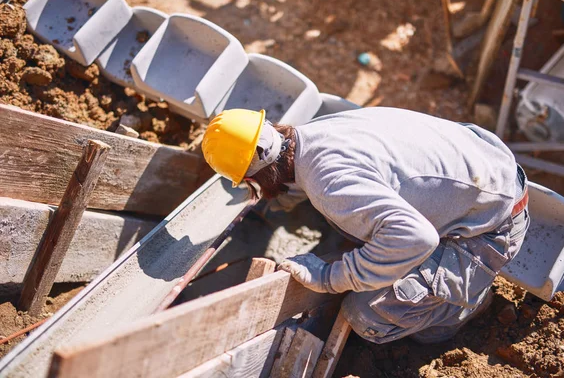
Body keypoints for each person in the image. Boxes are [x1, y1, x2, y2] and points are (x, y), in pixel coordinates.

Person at [201, 107, 530, 344]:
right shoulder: (312, 135)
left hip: (491, 225)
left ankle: (460, 307)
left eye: (248, 184)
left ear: (254, 174)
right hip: (485, 168)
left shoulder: (329, 183)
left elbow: (417, 237)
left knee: (365, 316)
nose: (250, 191)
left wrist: (330, 277)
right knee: (354, 225)